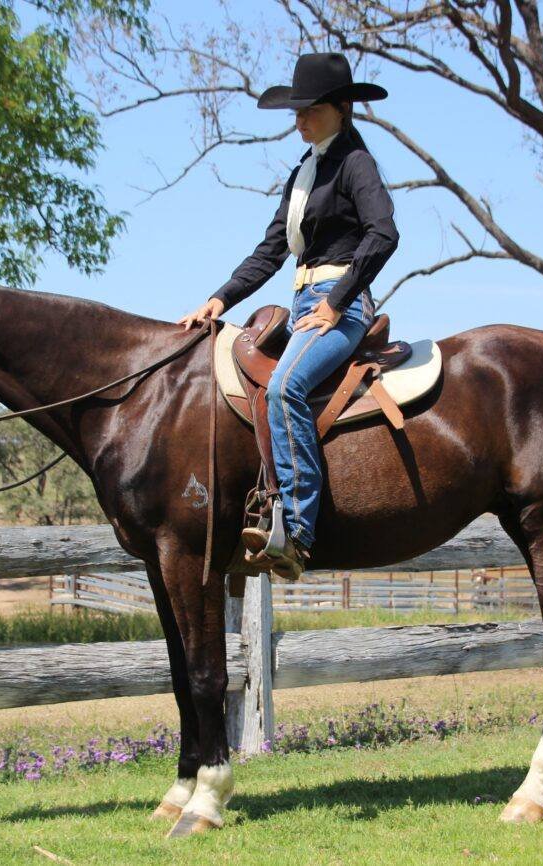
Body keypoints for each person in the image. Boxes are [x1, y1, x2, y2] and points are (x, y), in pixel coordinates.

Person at [179, 52, 399, 579]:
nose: (298, 121)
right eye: (295, 111)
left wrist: (336, 301)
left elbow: (384, 234)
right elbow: (271, 249)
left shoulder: (356, 164)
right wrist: (221, 298)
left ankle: (295, 531)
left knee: (284, 387)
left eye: (310, 110)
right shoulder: (304, 172)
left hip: (340, 307)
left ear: (342, 108)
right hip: (303, 303)